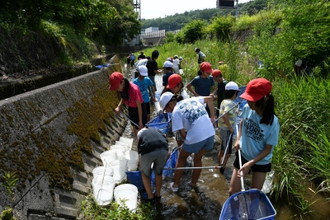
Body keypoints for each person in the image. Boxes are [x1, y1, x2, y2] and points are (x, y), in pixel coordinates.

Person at [229, 78, 280, 195]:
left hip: (260, 161)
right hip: (243, 155)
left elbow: (268, 149)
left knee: (254, 195)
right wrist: (238, 139)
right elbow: (242, 122)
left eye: (252, 100)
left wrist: (250, 164)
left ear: (264, 100)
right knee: (232, 192)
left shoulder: (273, 123)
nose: (248, 102)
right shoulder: (247, 108)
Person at [159, 92, 216, 191]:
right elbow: (210, 99)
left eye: (166, 109)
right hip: (210, 133)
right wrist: (212, 117)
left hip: (197, 136)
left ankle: (175, 185)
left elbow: (182, 135)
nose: (167, 111)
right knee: (198, 159)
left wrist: (188, 143)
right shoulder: (192, 99)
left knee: (181, 158)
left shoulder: (176, 112)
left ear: (171, 104)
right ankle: (193, 184)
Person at [108, 72, 147, 137]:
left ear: (122, 82)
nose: (117, 90)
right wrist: (118, 107)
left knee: (140, 130)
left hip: (139, 110)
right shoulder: (123, 89)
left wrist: (140, 121)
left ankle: (141, 142)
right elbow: (123, 98)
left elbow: (139, 106)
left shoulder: (134, 90)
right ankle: (136, 140)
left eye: (117, 87)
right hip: (131, 108)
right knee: (134, 127)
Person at [137, 127, 169, 201]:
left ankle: (150, 196)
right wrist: (163, 162)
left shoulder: (140, 133)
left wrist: (140, 164)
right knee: (159, 173)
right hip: (163, 150)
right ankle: (158, 195)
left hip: (148, 150)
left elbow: (139, 151)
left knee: (145, 174)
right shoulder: (158, 130)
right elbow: (167, 145)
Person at [217, 81, 240, 174]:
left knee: (223, 149)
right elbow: (224, 115)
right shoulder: (230, 103)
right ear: (234, 93)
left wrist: (236, 111)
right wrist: (230, 128)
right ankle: (222, 167)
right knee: (228, 152)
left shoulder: (224, 101)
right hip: (227, 130)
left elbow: (227, 113)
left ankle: (220, 165)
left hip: (222, 128)